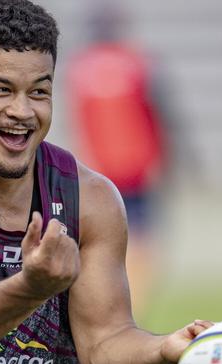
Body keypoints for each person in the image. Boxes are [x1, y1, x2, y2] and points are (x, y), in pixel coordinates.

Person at [0, 1, 213, 364]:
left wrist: (167, 348)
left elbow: (105, 342)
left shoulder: (90, 198)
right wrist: (31, 287)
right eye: (1, 90)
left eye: (39, 92)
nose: (23, 112)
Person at [65, 2, 169, 315]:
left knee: (100, 242)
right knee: (142, 243)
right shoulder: (137, 64)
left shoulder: (80, 68)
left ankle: (104, 304)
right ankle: (134, 303)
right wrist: (162, 157)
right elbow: (156, 114)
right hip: (136, 166)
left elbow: (80, 120)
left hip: (100, 170)